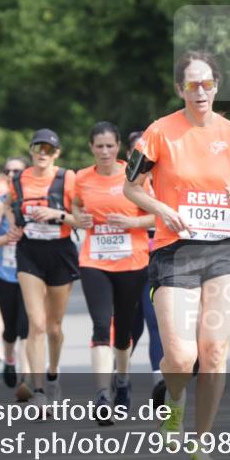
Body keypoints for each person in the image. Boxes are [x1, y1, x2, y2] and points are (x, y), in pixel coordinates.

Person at [124, 50, 230, 460]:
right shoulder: (158, 132)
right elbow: (130, 187)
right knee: (182, 357)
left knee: (215, 349)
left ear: (217, 86)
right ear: (180, 89)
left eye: (207, 84)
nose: (200, 91)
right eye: (192, 84)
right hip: (176, 249)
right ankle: (173, 398)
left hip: (226, 247)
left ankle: (202, 443)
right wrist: (161, 209)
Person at [71, 122, 153, 425]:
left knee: (124, 332)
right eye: (99, 146)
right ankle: (102, 394)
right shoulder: (81, 178)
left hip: (132, 262)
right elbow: (76, 209)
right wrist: (80, 218)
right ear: (91, 147)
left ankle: (122, 379)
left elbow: (157, 214)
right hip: (95, 261)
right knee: (101, 327)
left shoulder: (134, 176)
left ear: (118, 147)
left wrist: (131, 224)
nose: (104, 151)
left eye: (110, 146)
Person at [11, 129, 80, 413]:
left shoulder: (67, 178)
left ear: (57, 154)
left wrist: (58, 215)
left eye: (49, 149)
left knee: (53, 327)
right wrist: (13, 225)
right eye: (38, 148)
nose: (43, 153)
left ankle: (53, 373)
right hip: (30, 251)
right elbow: (11, 207)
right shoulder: (18, 179)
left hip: (60, 252)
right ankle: (39, 390)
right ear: (31, 151)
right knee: (36, 324)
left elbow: (81, 219)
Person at [0, 157, 33, 401]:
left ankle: (25, 379)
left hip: (31, 272)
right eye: (9, 171)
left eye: (18, 170)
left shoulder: (34, 201)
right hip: (5, 273)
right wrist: (8, 238)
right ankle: (10, 359)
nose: (13, 174)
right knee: (11, 329)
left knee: (27, 328)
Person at [125, 130, 165, 396]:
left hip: (158, 260)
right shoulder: (123, 186)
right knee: (130, 326)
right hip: (127, 263)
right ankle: (120, 378)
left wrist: (136, 222)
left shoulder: (165, 181)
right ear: (129, 156)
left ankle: (159, 382)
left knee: (155, 321)